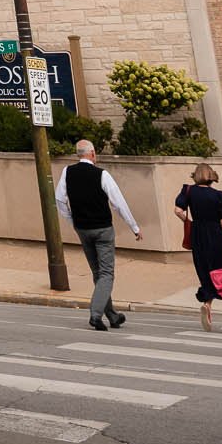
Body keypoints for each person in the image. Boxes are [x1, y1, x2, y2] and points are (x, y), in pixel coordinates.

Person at [56, 138, 141, 331]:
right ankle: (95, 314)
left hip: (83, 229)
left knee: (98, 273)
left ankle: (112, 315)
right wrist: (134, 227)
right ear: (93, 154)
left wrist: (72, 221)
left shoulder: (67, 172)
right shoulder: (102, 174)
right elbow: (118, 203)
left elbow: (60, 200)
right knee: (106, 273)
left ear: (78, 155)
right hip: (102, 229)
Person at [174, 162, 222, 334]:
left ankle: (207, 304)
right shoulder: (219, 196)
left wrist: (188, 222)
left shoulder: (188, 191)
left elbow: (177, 210)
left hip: (198, 237)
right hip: (217, 238)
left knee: (206, 274)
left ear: (196, 176)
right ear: (212, 176)